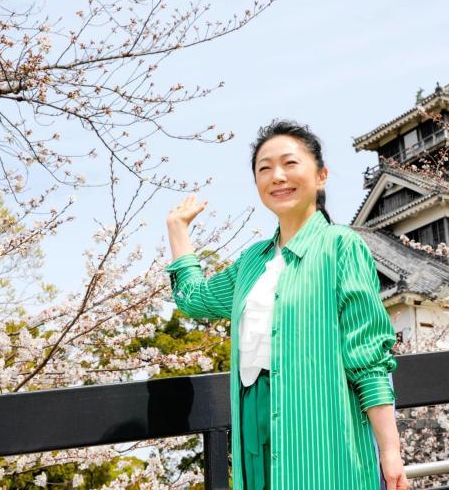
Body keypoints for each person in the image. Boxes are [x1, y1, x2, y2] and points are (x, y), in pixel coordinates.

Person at [165, 119, 409, 490]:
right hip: (253, 420)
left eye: (290, 163)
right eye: (264, 168)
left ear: (321, 175)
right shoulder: (251, 262)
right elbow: (195, 300)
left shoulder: (340, 246)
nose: (277, 176)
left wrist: (390, 453)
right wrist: (178, 231)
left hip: (321, 425)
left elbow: (368, 357)